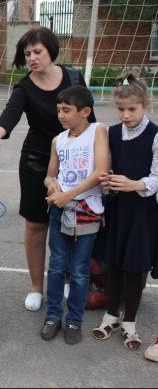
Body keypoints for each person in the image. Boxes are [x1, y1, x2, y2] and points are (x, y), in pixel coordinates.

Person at [0, 27, 87, 312]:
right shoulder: (24, 87)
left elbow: (88, 116)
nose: (32, 57)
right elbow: (9, 115)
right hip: (36, 160)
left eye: (37, 51)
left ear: (50, 50)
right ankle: (36, 286)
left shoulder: (73, 77)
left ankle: (67, 278)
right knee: (36, 224)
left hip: (74, 157)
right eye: (27, 53)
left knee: (72, 221)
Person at [92, 73, 158, 352]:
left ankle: (129, 320)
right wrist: (106, 181)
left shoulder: (155, 135)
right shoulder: (111, 133)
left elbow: (156, 177)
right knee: (115, 262)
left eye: (132, 109)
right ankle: (111, 316)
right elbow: (105, 166)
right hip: (118, 208)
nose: (126, 115)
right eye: (121, 109)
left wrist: (134, 184)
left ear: (146, 105)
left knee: (135, 265)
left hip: (142, 211)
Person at [40, 86, 108, 345]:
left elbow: (100, 172)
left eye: (66, 110)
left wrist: (68, 195)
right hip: (59, 211)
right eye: (59, 110)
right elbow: (50, 175)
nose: (60, 115)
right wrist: (52, 185)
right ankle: (53, 316)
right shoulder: (58, 140)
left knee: (79, 270)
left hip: (86, 211)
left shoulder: (97, 131)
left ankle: (74, 320)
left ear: (85, 111)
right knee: (57, 265)